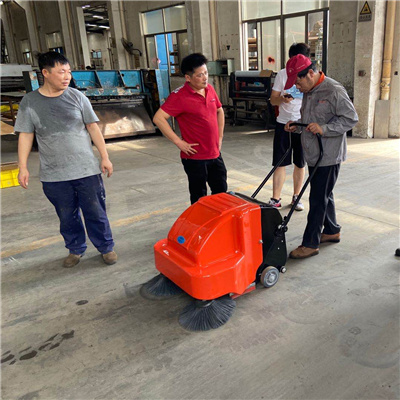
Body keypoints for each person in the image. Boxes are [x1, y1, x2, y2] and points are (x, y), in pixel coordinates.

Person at [15, 51, 117, 268]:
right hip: (54, 174)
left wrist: (105, 157)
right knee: (66, 216)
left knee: (96, 212)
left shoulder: (77, 97)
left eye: (69, 72)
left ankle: (106, 247)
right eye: (61, 72)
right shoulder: (30, 102)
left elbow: (93, 128)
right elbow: (26, 135)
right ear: (45, 73)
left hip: (86, 170)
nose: (67, 76)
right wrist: (22, 167)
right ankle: (75, 249)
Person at [284, 54, 358, 259]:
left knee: (317, 198)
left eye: (298, 82)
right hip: (314, 153)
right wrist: (297, 126)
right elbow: (311, 120)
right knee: (325, 192)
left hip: (329, 154)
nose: (297, 87)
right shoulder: (309, 90)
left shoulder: (334, 90)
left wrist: (325, 129)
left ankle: (310, 243)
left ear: (310, 73)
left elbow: (351, 118)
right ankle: (332, 230)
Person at [153, 53, 227, 204]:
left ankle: (217, 219)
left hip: (214, 154)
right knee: (199, 197)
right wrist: (178, 142)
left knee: (221, 193)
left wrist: (220, 137)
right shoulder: (179, 96)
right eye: (200, 75)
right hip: (195, 158)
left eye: (206, 73)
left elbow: (219, 111)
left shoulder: (209, 89)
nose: (205, 78)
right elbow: (158, 118)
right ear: (188, 77)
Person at [268, 43, 310, 211]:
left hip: (302, 125)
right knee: (280, 162)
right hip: (283, 124)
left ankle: (296, 197)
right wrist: (282, 99)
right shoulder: (282, 74)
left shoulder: (311, 75)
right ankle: (275, 198)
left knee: (300, 162)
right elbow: (273, 100)